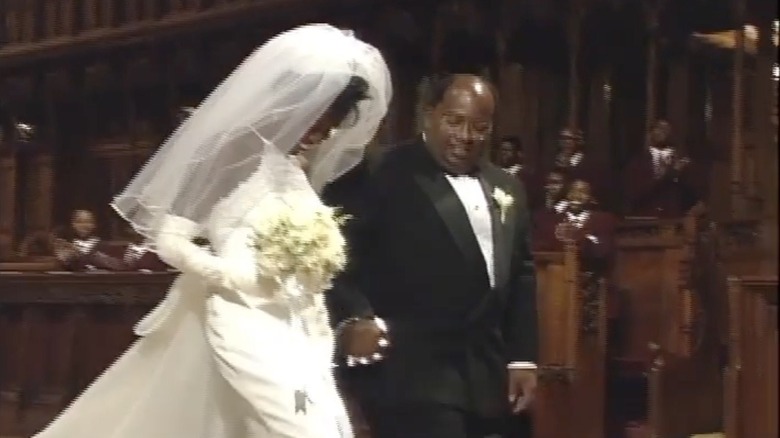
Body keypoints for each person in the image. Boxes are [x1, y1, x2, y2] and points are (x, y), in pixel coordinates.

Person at [34, 24, 391, 438]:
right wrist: (227, 274)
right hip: (239, 315)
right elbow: (169, 239)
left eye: (327, 129)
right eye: (317, 123)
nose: (319, 137)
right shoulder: (232, 154)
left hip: (293, 322)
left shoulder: (294, 167)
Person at [324, 73, 538, 438]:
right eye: (454, 121)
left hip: (490, 376)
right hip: (411, 374)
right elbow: (334, 256)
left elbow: (521, 275)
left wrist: (523, 358)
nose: (465, 136)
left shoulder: (508, 186)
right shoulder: (381, 172)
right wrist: (356, 318)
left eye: (479, 127)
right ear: (428, 115)